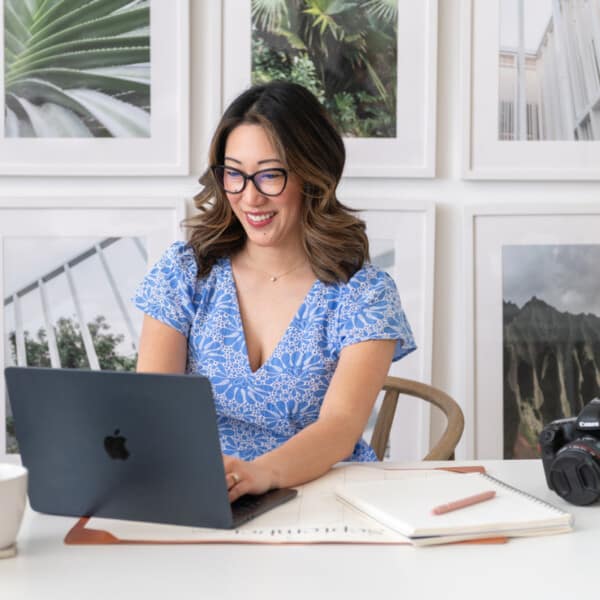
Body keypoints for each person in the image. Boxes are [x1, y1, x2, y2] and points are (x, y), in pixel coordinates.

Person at [133, 81, 416, 502]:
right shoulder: (185, 273)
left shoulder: (364, 294)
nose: (249, 197)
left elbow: (340, 427)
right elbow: (153, 407)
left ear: (311, 174)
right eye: (234, 174)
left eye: (269, 175)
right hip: (203, 496)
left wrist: (260, 474)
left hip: (323, 496)